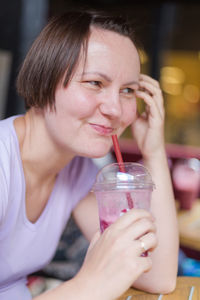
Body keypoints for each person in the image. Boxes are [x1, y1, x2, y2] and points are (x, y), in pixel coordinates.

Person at [0, 9, 179, 300]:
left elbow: (157, 276)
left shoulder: (79, 169)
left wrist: (154, 152)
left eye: (128, 90)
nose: (116, 110)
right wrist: (89, 284)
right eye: (95, 83)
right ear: (45, 79)